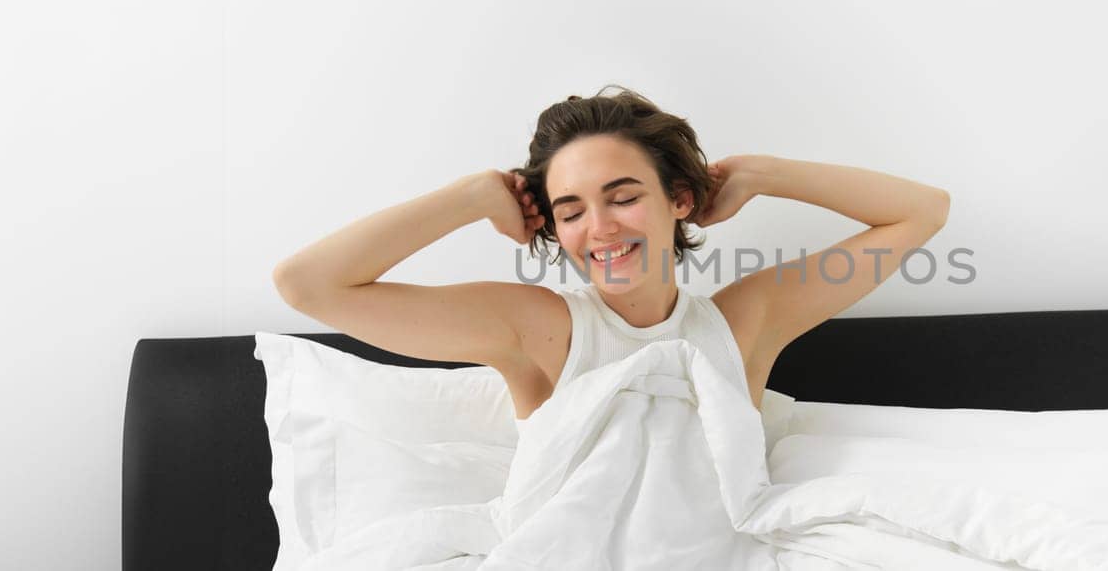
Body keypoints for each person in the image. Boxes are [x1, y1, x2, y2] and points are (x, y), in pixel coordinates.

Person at [272, 85, 950, 423]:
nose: (598, 227)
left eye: (622, 196)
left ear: (680, 199)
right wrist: (470, 197)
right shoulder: (539, 327)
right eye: (570, 210)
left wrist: (765, 174)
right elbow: (308, 285)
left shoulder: (746, 321)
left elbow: (923, 211)